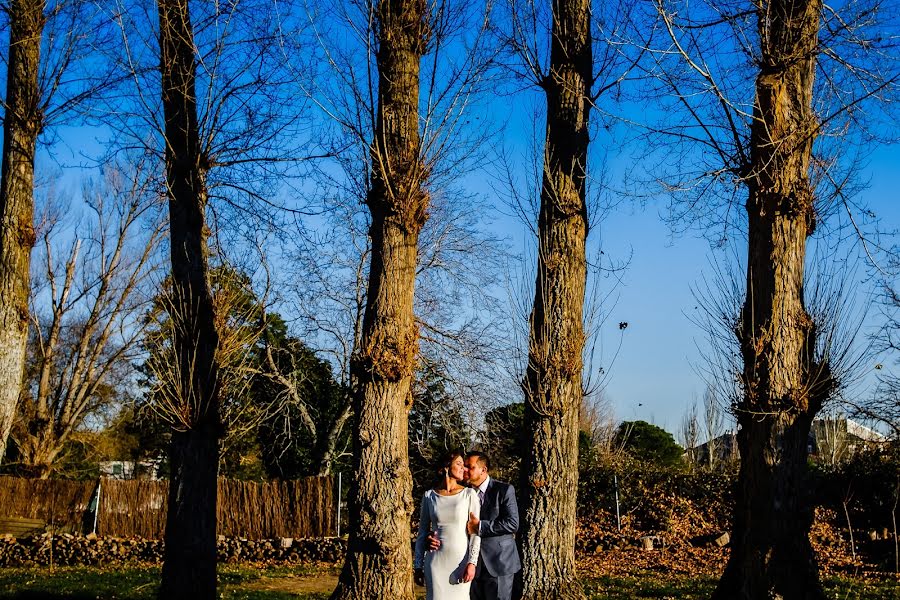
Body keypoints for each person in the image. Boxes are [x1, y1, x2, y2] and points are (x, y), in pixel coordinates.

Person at [429, 451, 521, 600]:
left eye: (470, 467)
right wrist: (431, 535)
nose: (465, 470)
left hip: (498, 562)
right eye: (464, 466)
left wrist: (480, 527)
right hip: (470, 565)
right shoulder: (464, 493)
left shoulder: (504, 490)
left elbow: (512, 523)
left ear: (483, 470)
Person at [414, 451, 482, 600]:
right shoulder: (429, 496)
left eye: (464, 465)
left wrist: (472, 562)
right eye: (459, 463)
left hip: (460, 563)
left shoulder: (469, 494)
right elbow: (422, 533)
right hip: (435, 562)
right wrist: (417, 566)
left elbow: (475, 533)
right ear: (446, 467)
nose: (463, 468)